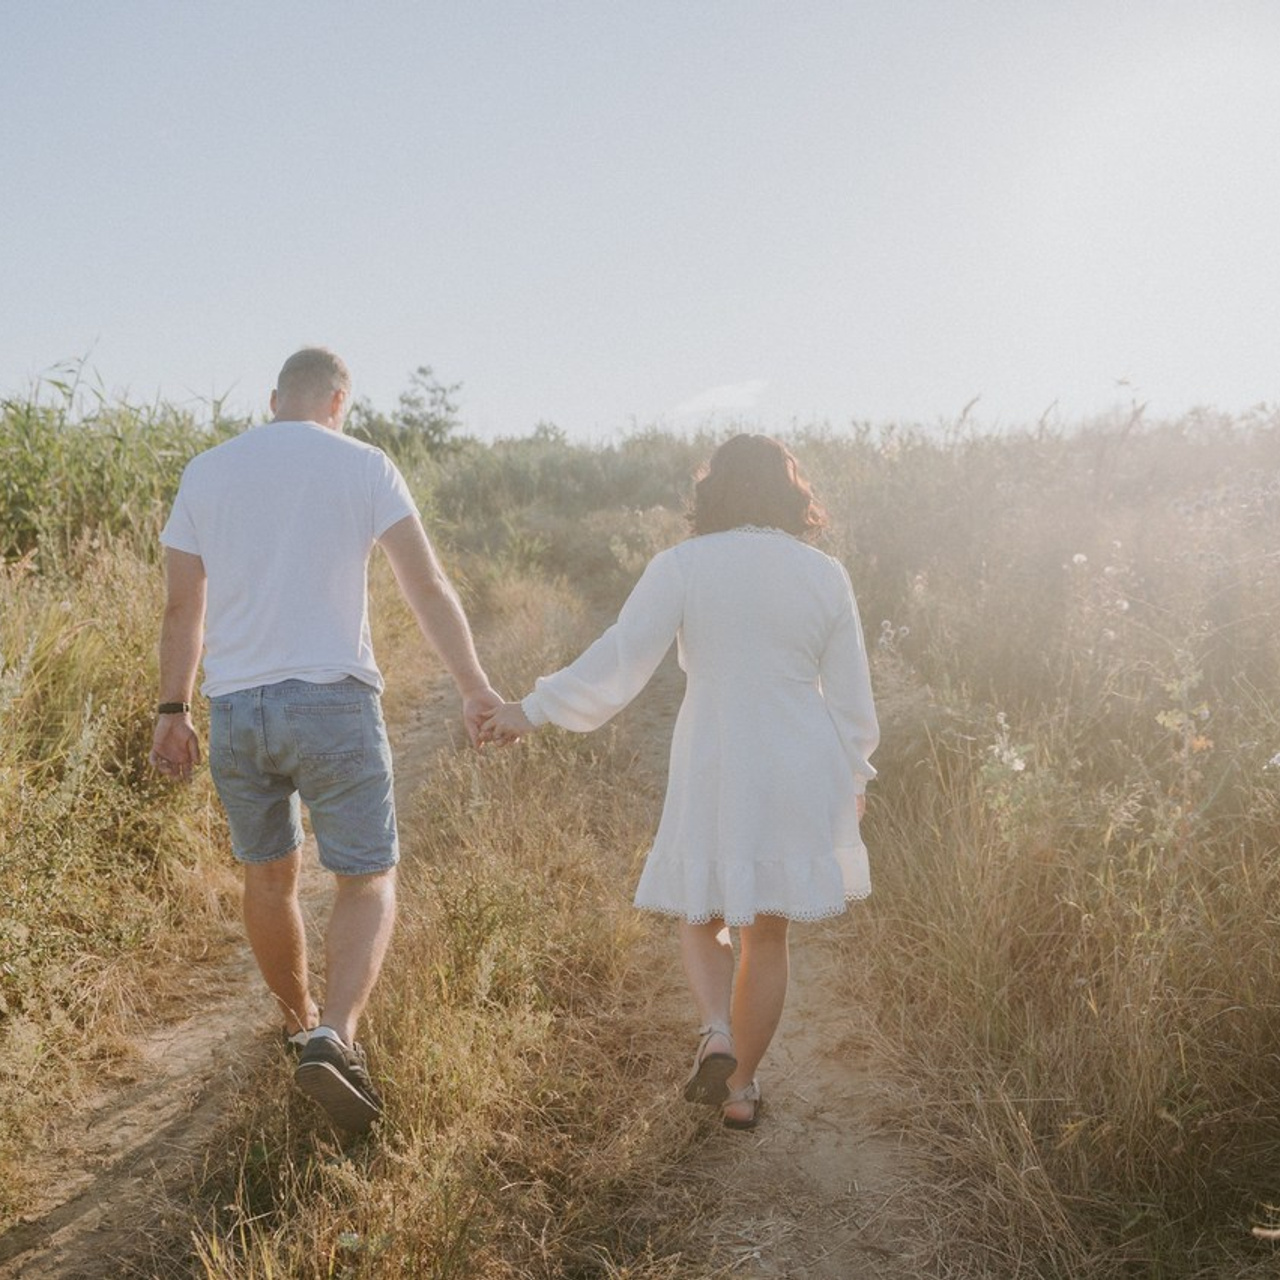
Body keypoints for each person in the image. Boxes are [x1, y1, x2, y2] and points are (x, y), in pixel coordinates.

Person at [150, 347, 501, 1135]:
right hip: (334, 702)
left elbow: (182, 611)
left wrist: (171, 711)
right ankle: (336, 1035)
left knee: (268, 877)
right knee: (367, 877)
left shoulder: (207, 471)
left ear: (275, 398)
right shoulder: (364, 464)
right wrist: (476, 687)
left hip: (238, 707)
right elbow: (426, 585)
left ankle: (296, 1026)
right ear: (339, 401)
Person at [481, 434, 878, 1129]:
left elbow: (622, 659)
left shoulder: (684, 565)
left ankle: (716, 1031)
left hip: (717, 752)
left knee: (703, 912)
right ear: (793, 496)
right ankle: (742, 1088)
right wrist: (856, 773)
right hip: (798, 755)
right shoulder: (825, 574)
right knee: (769, 933)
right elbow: (850, 696)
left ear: (711, 493)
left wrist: (533, 709)